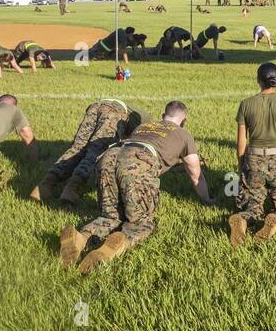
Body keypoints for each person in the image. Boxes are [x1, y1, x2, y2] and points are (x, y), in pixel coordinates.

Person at [59, 101, 213, 273]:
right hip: (138, 162)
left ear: (163, 117)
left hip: (108, 157)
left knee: (111, 216)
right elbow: (195, 173)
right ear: (184, 121)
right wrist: (206, 200)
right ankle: (110, 248)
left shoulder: (145, 126)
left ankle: (80, 238)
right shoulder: (184, 134)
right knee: (141, 223)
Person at [230, 63, 276, 246]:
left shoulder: (246, 104)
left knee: (251, 201)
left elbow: (241, 141)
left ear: (258, 80)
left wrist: (242, 166)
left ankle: (244, 218)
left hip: (254, 158)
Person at [32, 98, 148, 203]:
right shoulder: (147, 125)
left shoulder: (140, 115)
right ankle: (72, 188)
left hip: (96, 106)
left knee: (77, 148)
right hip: (115, 112)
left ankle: (45, 186)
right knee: (97, 151)